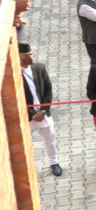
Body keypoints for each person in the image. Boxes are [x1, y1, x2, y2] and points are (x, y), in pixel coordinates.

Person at [19, 43, 62, 176]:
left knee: (50, 139)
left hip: (43, 113)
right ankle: (26, 167)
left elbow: (48, 89)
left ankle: (54, 162)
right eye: (26, 56)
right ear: (18, 57)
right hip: (26, 116)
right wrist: (32, 114)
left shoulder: (39, 68)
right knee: (24, 143)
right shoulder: (15, 74)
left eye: (31, 54)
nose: (30, 57)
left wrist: (43, 110)